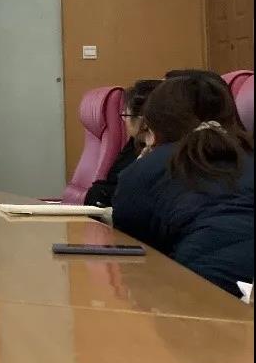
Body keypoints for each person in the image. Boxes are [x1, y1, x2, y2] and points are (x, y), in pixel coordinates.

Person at [113, 74, 254, 295]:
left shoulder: (147, 169)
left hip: (208, 293)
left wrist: (143, 160)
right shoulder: (247, 154)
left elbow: (132, 249)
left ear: (153, 124)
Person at [84, 79, 161, 207]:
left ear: (143, 120)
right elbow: (113, 181)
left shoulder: (161, 154)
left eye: (126, 115)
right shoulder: (135, 143)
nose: (124, 120)